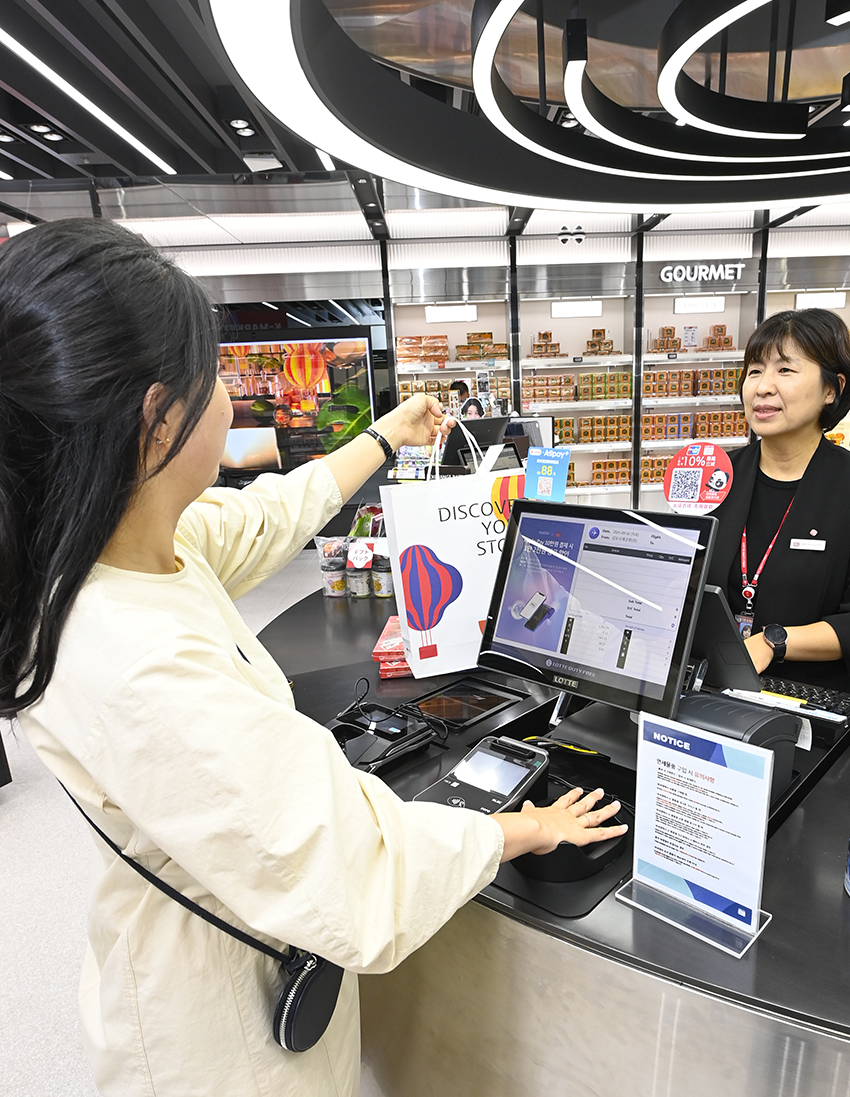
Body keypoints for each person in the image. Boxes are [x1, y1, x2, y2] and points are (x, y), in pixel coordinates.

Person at [0, 219, 626, 1097]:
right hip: (218, 1044)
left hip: (216, 948)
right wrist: (522, 829)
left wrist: (385, 437)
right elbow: (357, 872)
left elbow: (261, 519)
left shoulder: (107, 551)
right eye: (213, 371)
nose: (231, 395)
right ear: (158, 417)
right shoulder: (137, 661)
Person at [706, 309, 850, 704]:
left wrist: (771, 642)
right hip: (716, 688)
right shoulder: (718, 475)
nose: (763, 387)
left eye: (785, 370)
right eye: (754, 370)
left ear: (832, 389)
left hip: (816, 699)